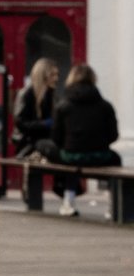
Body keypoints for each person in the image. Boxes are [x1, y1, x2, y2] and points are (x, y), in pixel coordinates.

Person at [37, 63, 121, 216]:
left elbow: (56, 138)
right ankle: (113, 202)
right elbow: (113, 135)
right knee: (116, 158)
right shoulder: (105, 106)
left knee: (45, 146)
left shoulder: (63, 105)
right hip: (100, 155)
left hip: (71, 156)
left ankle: (68, 199)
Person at [12, 57, 58, 157]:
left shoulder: (50, 94)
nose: (56, 78)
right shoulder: (27, 94)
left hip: (43, 141)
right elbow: (20, 123)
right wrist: (45, 124)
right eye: (52, 75)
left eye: (57, 74)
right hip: (28, 142)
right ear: (43, 75)